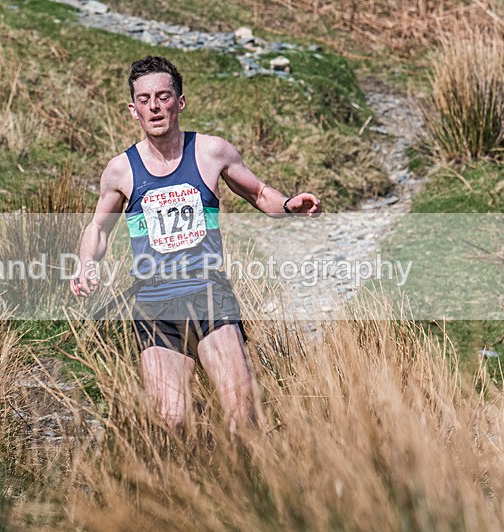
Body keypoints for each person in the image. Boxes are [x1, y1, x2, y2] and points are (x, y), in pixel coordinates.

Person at [72, 56, 321, 433]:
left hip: (209, 297)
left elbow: (259, 193)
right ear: (132, 109)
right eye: (144, 99)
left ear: (180, 102)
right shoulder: (120, 170)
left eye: (163, 96)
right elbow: (98, 227)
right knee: (171, 423)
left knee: (242, 413)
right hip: (155, 306)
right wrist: (86, 262)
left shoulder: (211, 152)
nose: (154, 106)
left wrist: (288, 205)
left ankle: (249, 480)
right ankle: (202, 461)